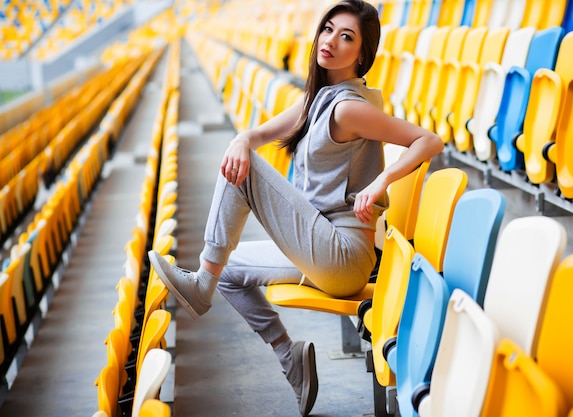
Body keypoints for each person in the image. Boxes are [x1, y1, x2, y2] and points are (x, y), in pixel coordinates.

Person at [148, 0, 444, 415]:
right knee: (228, 271)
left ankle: (200, 285)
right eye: (328, 29)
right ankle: (290, 356)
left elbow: (429, 140)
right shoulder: (318, 98)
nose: (331, 40)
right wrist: (240, 139)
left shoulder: (347, 108)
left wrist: (382, 181)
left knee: (244, 173)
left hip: (342, 254)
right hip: (318, 246)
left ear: (361, 54)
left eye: (347, 37)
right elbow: (257, 133)